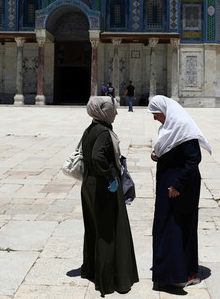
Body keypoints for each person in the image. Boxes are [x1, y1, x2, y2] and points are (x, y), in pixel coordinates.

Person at [147, 95, 212, 292]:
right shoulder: (171, 127)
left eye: (155, 113)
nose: (154, 118)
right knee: (170, 225)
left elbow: (193, 158)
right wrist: (158, 155)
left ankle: (178, 274)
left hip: (181, 188)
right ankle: (176, 270)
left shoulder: (183, 126)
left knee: (176, 226)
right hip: (172, 185)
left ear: (164, 110)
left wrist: (178, 184)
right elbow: (174, 152)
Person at [80, 96, 138, 296]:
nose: (117, 113)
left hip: (89, 185)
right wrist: (109, 177)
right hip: (102, 188)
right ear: (104, 111)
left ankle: (92, 270)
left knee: (94, 229)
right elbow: (97, 157)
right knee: (108, 232)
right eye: (114, 109)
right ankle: (109, 280)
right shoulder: (104, 132)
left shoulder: (90, 129)